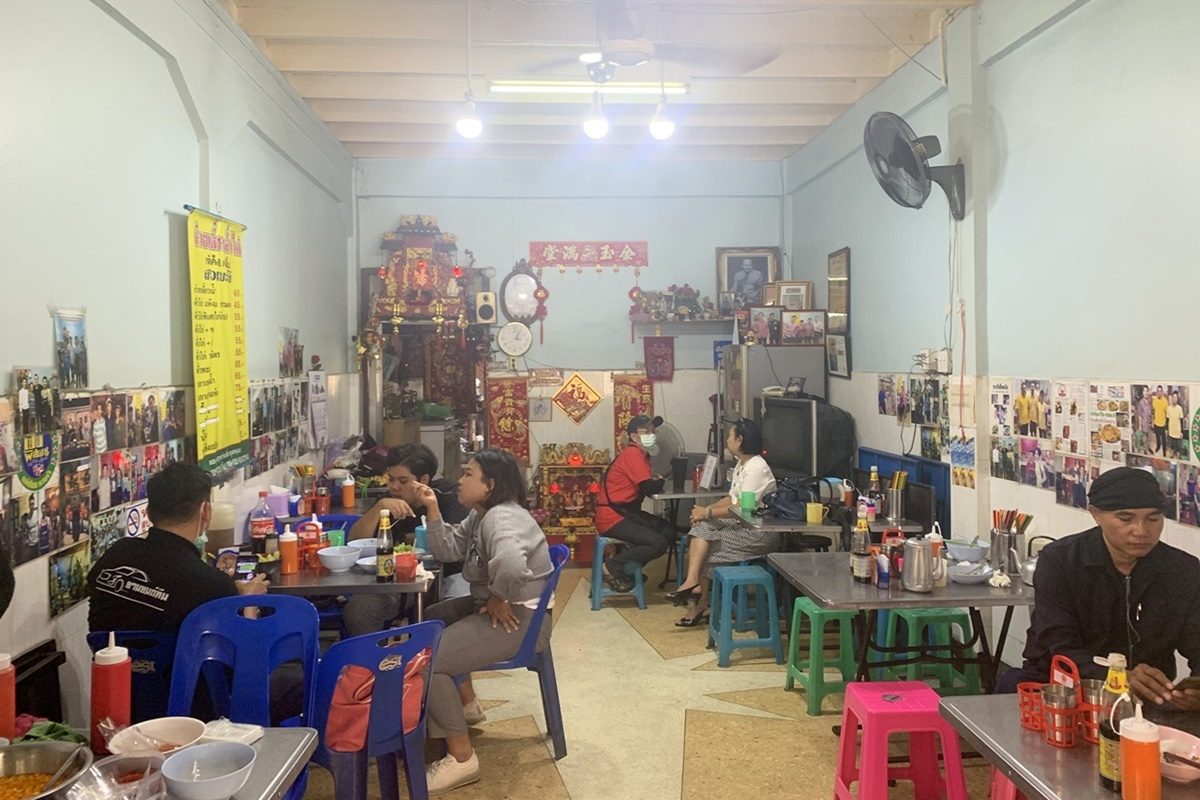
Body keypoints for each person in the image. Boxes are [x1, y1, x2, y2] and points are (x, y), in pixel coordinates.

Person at [87, 463, 302, 723]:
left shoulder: (114, 556)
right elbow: (243, 660)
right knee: (303, 680)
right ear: (205, 511)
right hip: (198, 712)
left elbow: (163, 593)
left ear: (149, 512)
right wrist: (247, 603)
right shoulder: (210, 584)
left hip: (122, 706)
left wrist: (229, 593)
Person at [996, 467, 1200, 708]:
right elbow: (1058, 643)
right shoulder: (1061, 562)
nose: (1141, 530)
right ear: (1096, 514)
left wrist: (1194, 689)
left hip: (1146, 699)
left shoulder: (1182, 570)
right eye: (1125, 519)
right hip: (1061, 691)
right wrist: (1117, 677)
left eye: (1153, 518)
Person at [416, 449, 553, 795]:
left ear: (489, 485)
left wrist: (498, 597)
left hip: (519, 619)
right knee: (429, 622)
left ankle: (462, 759)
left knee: (430, 660)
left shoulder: (502, 518)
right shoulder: (481, 515)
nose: (460, 481)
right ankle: (466, 705)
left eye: (468, 474)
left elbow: (511, 564)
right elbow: (448, 550)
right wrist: (433, 509)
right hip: (501, 608)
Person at [343, 444, 468, 637]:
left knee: (456, 608)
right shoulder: (388, 501)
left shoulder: (448, 495)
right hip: (400, 581)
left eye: (403, 481)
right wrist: (378, 509)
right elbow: (355, 542)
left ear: (424, 480)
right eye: (391, 479)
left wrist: (432, 507)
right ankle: (376, 655)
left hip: (449, 575)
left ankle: (437, 655)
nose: (394, 487)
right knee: (360, 610)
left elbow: (455, 547)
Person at [666, 419, 777, 627]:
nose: (727, 440)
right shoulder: (742, 464)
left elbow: (741, 507)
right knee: (701, 527)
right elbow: (730, 498)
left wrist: (708, 512)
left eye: (730, 436)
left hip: (758, 531)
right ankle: (693, 582)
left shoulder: (757, 468)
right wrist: (704, 512)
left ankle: (701, 603)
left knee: (707, 549)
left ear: (740, 439)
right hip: (740, 525)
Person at [593, 415, 675, 593]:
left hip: (626, 513)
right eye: (646, 431)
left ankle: (628, 570)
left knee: (669, 531)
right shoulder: (633, 453)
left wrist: (656, 481)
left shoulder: (643, 456)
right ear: (634, 437)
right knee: (658, 543)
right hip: (613, 517)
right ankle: (613, 566)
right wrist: (660, 480)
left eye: (653, 431)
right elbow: (648, 487)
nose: (652, 434)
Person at [1167, 390, 1185, 458]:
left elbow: (1181, 420)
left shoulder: (1180, 408)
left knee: (1178, 447)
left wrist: (1182, 432)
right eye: (1173, 397)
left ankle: (1177, 455)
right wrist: (1167, 430)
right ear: (1171, 398)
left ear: (1177, 399)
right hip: (1171, 431)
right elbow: (1167, 420)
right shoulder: (1169, 408)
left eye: (1176, 397)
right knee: (1172, 446)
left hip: (1178, 431)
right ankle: (1172, 454)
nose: (1175, 399)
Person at [1152, 385, 1169, 455]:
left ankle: (1164, 451)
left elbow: (1167, 414)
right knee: (1157, 437)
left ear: (1162, 392)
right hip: (1156, 423)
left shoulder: (1165, 401)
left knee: (1164, 439)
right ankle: (1158, 447)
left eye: (1160, 391)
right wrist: (1153, 421)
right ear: (1156, 392)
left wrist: (1166, 425)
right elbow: (1154, 411)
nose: (1159, 392)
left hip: (1163, 424)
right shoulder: (1154, 400)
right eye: (1158, 391)